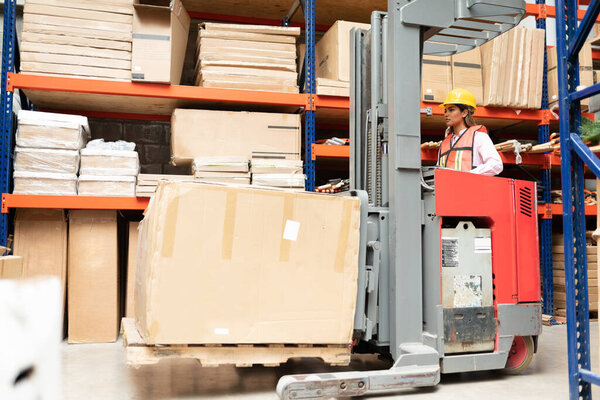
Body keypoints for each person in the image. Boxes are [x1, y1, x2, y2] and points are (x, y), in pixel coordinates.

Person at [437, 88, 503, 176]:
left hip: (471, 188)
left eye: (451, 110)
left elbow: (496, 164)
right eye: (445, 110)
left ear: (464, 113)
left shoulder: (478, 137)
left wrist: (468, 176)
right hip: (448, 189)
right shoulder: (445, 144)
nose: (446, 114)